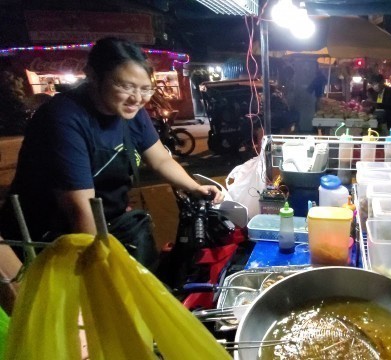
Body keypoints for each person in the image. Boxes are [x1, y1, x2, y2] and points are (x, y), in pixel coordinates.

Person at [0, 37, 224, 266]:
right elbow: (81, 209)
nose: (137, 98)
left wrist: (194, 187)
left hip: (108, 223)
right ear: (94, 77)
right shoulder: (63, 118)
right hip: (55, 238)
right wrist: (99, 267)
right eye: (125, 86)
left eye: (145, 89)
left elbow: (160, 160)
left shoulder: (132, 112)